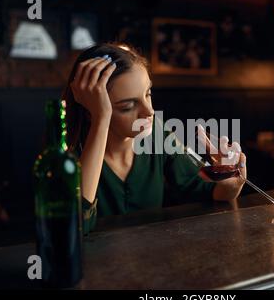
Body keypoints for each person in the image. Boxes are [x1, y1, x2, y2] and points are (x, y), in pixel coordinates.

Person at [63, 43, 246, 234]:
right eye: (127, 106)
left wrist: (229, 186)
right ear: (91, 111)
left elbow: (204, 189)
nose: (149, 111)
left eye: (148, 94)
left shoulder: (158, 132)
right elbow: (75, 226)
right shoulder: (67, 153)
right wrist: (100, 119)